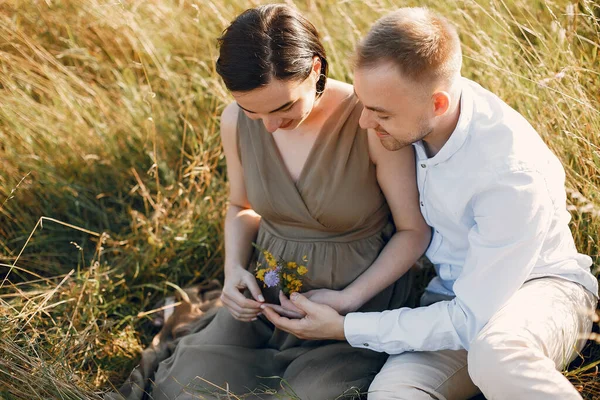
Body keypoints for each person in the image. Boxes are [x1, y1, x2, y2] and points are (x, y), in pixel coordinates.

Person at [262, 7, 599, 400]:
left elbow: (472, 320)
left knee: (497, 354)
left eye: (380, 113)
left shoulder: (510, 173)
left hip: (540, 292)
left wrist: (344, 327)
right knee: (392, 395)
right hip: (449, 297)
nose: (364, 124)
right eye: (363, 103)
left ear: (438, 105)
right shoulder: (414, 108)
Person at [150, 4, 431, 399]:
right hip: (265, 302)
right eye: (252, 110)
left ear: (315, 69)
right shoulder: (234, 121)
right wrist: (233, 271)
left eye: (284, 107)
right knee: (191, 385)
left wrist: (346, 301)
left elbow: (413, 232)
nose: (269, 125)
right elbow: (241, 207)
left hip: (353, 309)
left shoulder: (368, 121)